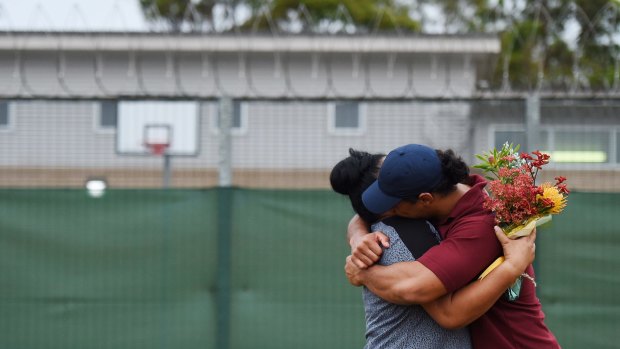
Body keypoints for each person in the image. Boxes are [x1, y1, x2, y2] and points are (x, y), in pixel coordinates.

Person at [345, 144, 560, 349]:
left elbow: (440, 307)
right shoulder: (448, 193)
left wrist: (363, 273)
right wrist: (358, 236)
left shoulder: (481, 227)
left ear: (425, 199)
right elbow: (363, 216)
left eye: (392, 205)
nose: (387, 212)